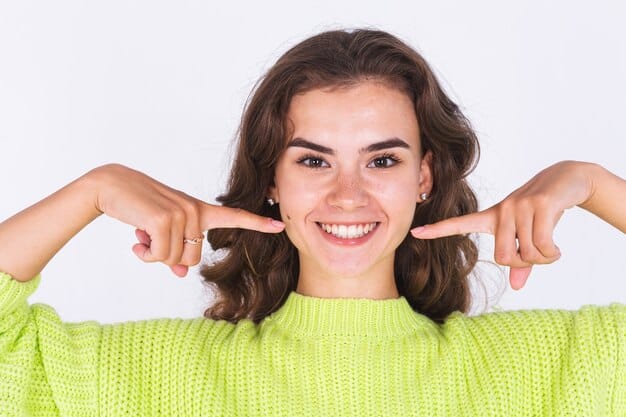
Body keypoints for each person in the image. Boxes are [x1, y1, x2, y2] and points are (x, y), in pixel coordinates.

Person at [0, 28, 624, 417]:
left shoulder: (543, 367)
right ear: (273, 179)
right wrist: (93, 190)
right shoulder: (163, 372)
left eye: (382, 159)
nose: (347, 195)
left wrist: (592, 183)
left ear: (424, 178)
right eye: (312, 160)